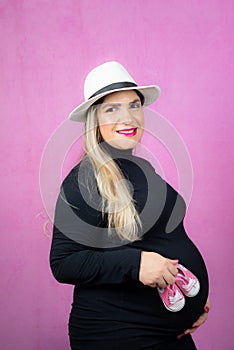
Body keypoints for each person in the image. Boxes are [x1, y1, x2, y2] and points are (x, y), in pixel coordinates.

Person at [49, 61, 210, 350]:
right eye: (112, 109)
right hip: (118, 333)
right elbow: (63, 262)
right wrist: (136, 264)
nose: (128, 117)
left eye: (134, 105)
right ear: (94, 119)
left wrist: (195, 301)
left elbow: (164, 237)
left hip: (161, 331)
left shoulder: (141, 168)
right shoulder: (85, 178)